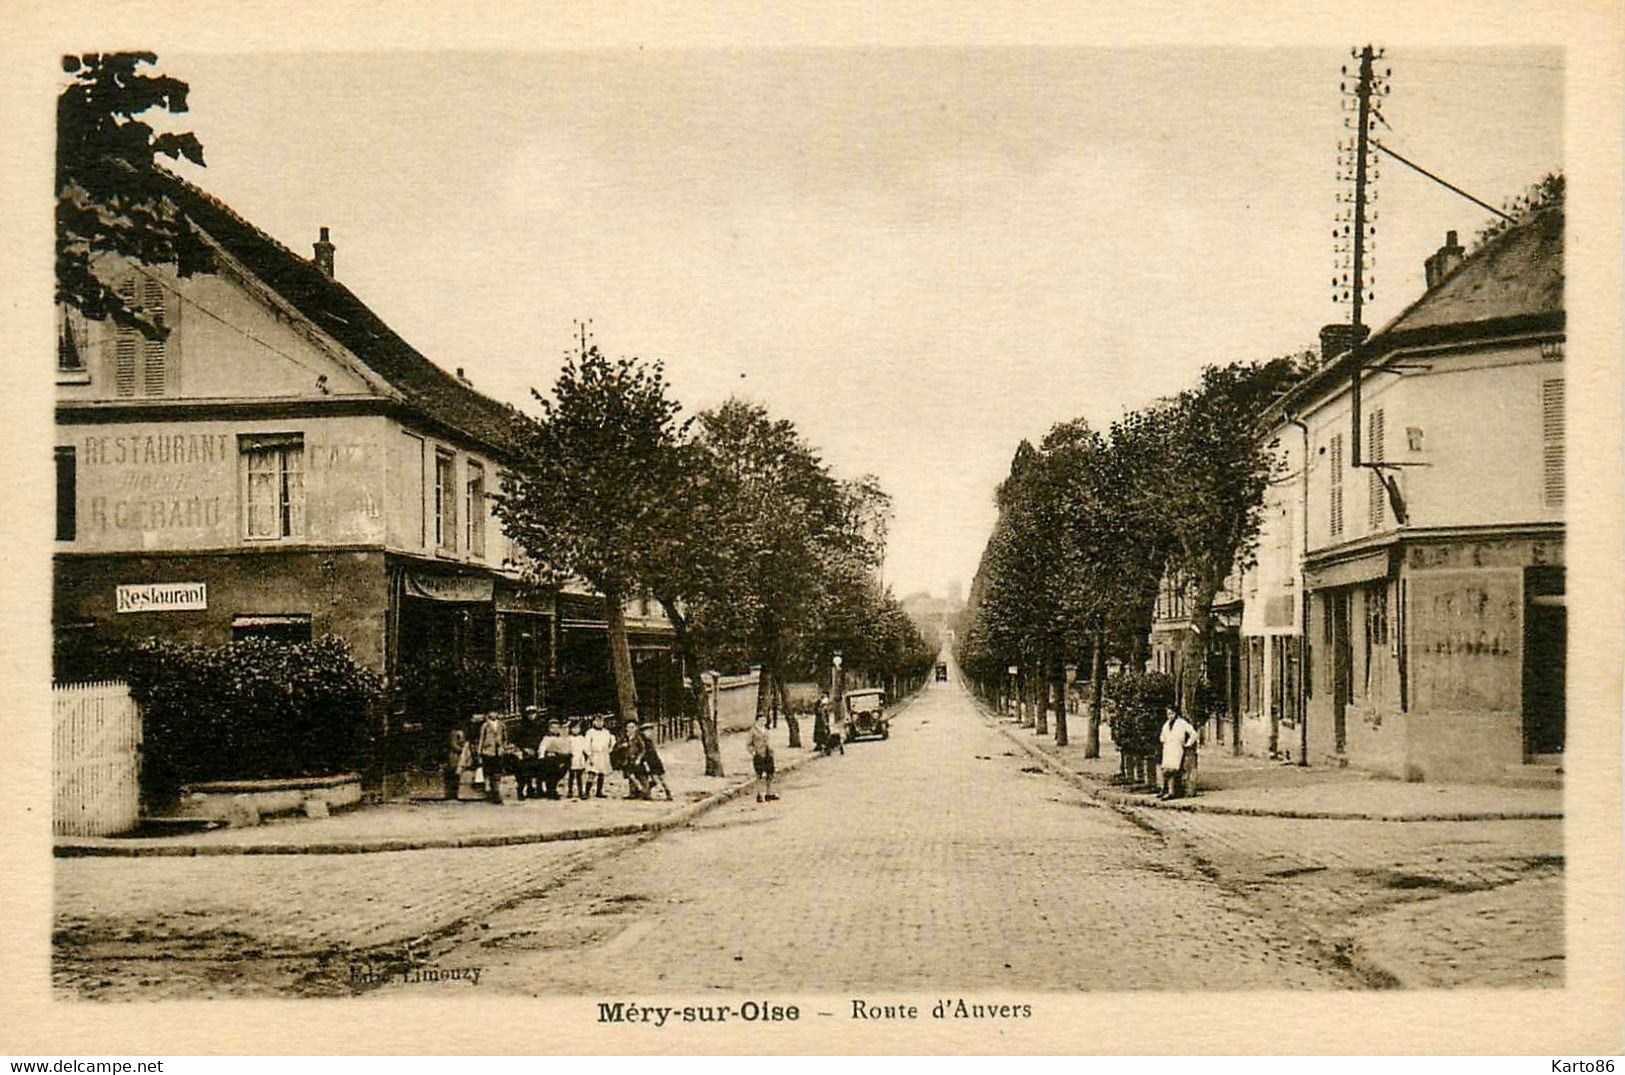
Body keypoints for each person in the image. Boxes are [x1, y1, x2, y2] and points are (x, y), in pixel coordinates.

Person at [1158, 707, 1199, 800]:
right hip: (1168, 748)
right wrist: (1163, 740)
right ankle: (1165, 790)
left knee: (1172, 770)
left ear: (1176, 714)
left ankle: (1171, 792)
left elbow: (1193, 734)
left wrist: (1188, 744)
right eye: (1168, 714)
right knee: (1165, 770)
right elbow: (1162, 735)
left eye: (1172, 713)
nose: (1170, 716)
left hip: (1177, 748)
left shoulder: (1182, 723)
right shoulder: (1166, 724)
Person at [477, 711, 508, 804]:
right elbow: (481, 738)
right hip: (488, 751)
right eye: (492, 713)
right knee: (488, 771)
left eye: (495, 713)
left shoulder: (501, 725)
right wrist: (480, 751)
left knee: (497, 772)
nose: (494, 715)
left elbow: (505, 737)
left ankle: (496, 791)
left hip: (498, 751)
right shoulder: (485, 725)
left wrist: (504, 747)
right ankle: (490, 790)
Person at [513, 707, 544, 800]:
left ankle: (539, 789)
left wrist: (540, 748)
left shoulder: (540, 724)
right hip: (526, 751)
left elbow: (543, 737)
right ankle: (523, 790)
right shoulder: (522, 726)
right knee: (525, 772)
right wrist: (524, 749)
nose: (531, 715)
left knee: (539, 771)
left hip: (538, 750)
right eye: (529, 713)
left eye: (533, 713)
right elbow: (517, 739)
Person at [639, 722, 675, 801]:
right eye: (646, 731)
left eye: (649, 731)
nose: (648, 733)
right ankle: (648, 791)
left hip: (655, 762)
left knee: (660, 779)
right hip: (651, 763)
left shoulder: (649, 742)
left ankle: (666, 793)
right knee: (655, 779)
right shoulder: (645, 742)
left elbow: (647, 753)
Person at [538, 719, 572, 799]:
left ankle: (552, 789)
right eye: (552, 728)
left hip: (559, 759)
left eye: (556, 728)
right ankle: (550, 791)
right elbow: (542, 748)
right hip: (549, 759)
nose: (555, 730)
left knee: (557, 775)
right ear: (549, 729)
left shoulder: (562, 738)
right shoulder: (547, 738)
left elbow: (565, 748)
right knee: (550, 775)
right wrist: (542, 757)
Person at [584, 714, 615, 799]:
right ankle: (586, 792)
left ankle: (599, 791)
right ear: (594, 722)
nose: (599, 723)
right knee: (592, 773)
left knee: (601, 773)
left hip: (603, 754)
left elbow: (612, 741)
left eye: (601, 721)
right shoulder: (590, 732)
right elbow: (586, 744)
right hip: (594, 754)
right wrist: (589, 753)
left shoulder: (606, 732)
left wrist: (609, 750)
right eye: (597, 721)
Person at [748, 715, 777, 802]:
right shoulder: (753, 731)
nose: (763, 722)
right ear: (757, 721)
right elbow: (748, 744)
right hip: (759, 754)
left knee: (770, 774)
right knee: (759, 775)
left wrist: (771, 751)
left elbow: (768, 742)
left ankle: (768, 793)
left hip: (768, 754)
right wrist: (753, 752)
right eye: (761, 720)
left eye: (764, 720)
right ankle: (759, 794)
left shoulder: (766, 730)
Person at [621, 719, 651, 800]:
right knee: (630, 776)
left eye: (632, 727)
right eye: (629, 727)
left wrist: (639, 758)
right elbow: (618, 747)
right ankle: (633, 793)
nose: (630, 729)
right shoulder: (624, 738)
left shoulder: (638, 738)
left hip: (637, 759)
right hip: (628, 759)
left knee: (641, 775)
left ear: (635, 728)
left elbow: (643, 749)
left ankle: (646, 792)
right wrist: (622, 746)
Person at [443, 728, 470, 801]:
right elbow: (453, 744)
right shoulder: (454, 733)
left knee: (457, 776)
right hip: (454, 757)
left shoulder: (461, 733)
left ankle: (454, 794)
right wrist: (462, 749)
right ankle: (450, 794)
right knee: (452, 774)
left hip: (459, 757)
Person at [567, 720, 589, 800]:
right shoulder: (569, 738)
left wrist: (588, 755)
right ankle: (570, 791)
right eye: (574, 728)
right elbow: (567, 748)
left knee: (579, 776)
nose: (576, 730)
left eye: (578, 728)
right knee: (571, 776)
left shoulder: (582, 738)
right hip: (572, 758)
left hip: (579, 758)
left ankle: (580, 791)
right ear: (571, 729)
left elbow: (585, 748)